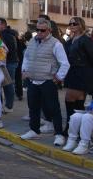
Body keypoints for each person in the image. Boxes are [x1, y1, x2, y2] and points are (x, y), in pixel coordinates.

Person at [20, 18, 70, 146]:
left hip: (47, 81)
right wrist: (24, 70)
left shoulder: (56, 44)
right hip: (32, 81)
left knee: (54, 109)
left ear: (49, 30)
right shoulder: (32, 41)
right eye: (37, 30)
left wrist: (59, 77)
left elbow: (65, 63)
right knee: (33, 107)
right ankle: (34, 130)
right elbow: (26, 57)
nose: (39, 32)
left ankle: (59, 134)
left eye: (42, 30)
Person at [62, 17, 93, 133]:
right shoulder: (71, 39)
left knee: (70, 98)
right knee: (77, 101)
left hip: (82, 73)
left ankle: (71, 127)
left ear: (81, 25)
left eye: (75, 23)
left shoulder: (85, 39)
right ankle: (76, 128)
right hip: (71, 72)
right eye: (70, 23)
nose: (72, 25)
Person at [0, 18, 19, 112]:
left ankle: (9, 106)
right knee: (6, 84)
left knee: (8, 84)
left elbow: (6, 50)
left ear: (3, 25)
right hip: (9, 62)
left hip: (9, 63)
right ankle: (7, 105)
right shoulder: (5, 34)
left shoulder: (6, 35)